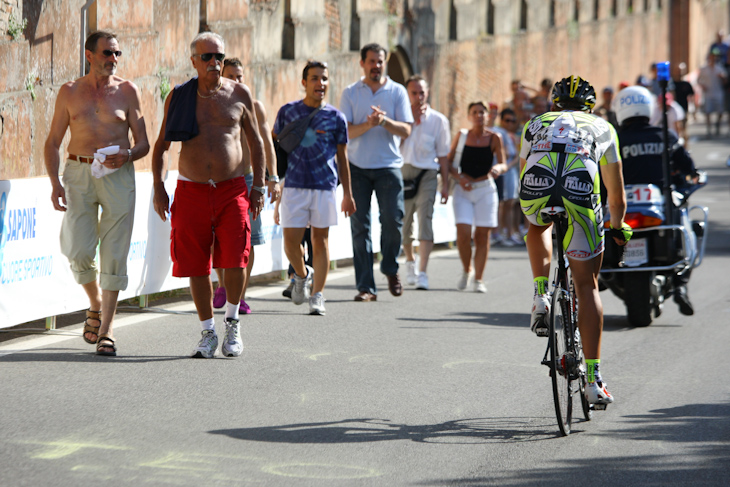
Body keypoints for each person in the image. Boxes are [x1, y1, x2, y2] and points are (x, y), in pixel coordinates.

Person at [152, 32, 265, 358]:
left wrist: (257, 186)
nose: (214, 62)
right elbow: (161, 147)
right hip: (191, 190)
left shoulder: (238, 93)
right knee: (196, 265)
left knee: (236, 257)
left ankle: (231, 323)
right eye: (207, 57)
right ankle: (207, 331)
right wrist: (159, 188)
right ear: (194, 62)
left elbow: (256, 143)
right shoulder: (179, 96)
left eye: (219, 56)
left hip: (232, 190)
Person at [519, 75, 631, 405]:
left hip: (536, 187)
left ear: (553, 104)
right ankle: (593, 380)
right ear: (591, 105)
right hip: (579, 189)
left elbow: (524, 170)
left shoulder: (535, 123)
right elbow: (617, 196)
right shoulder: (603, 128)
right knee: (587, 286)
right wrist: (618, 225)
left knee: (537, 227)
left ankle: (541, 293)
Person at [44, 31, 149, 356]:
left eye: (116, 54)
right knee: (76, 247)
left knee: (115, 251)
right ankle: (95, 302)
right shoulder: (70, 91)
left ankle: (107, 330)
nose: (112, 59)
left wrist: (129, 155)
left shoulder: (128, 91)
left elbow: (144, 142)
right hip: (78, 171)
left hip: (118, 174)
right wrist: (55, 182)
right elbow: (52, 142)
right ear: (89, 55)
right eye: (106, 53)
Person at [273, 60, 356, 315]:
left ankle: (318, 295)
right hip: (295, 186)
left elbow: (343, 158)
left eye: (324, 79)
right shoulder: (287, 111)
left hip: (324, 186)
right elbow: (277, 149)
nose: (320, 84)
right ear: (304, 82)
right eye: (315, 78)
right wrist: (275, 181)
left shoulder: (336, 117)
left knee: (320, 241)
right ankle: (301, 274)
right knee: (290, 243)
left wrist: (348, 194)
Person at [615, 85, 699, 315]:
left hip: (621, 209)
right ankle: (681, 284)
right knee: (685, 223)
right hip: (659, 207)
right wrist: (693, 177)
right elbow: (689, 167)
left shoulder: (614, 140)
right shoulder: (665, 135)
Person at [340, 43, 413, 302]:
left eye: (380, 61)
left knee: (393, 221)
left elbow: (406, 130)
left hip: (389, 166)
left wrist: (383, 122)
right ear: (362, 63)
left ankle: (390, 268)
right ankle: (365, 287)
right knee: (360, 227)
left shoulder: (397, 91)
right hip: (357, 168)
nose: (376, 66)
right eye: (371, 61)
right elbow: (345, 132)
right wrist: (368, 125)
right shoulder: (350, 92)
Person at [212, 57, 280, 315]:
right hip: (220, 180)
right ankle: (221, 285)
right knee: (217, 239)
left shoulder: (254, 106)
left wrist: (272, 178)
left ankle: (239, 295)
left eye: (240, 76)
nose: (237, 81)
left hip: (249, 179)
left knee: (247, 242)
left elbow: (265, 143)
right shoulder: (213, 105)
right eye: (231, 76)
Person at [447, 101, 508, 293]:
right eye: (475, 112)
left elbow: (503, 163)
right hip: (463, 189)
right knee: (463, 234)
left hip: (485, 189)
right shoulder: (462, 136)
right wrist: (459, 177)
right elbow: (448, 163)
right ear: (469, 116)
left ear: (488, 115)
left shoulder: (494, 137)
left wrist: (498, 168)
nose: (479, 115)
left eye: (482, 112)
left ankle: (479, 279)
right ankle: (467, 270)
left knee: (482, 235)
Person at [399, 75, 451, 290]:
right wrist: (409, 121)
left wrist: (445, 183)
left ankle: (423, 271)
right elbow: (394, 145)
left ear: (427, 93)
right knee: (403, 223)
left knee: (425, 218)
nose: (418, 97)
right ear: (407, 93)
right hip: (403, 171)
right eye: (413, 93)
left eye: (422, 92)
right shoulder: (399, 117)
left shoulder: (438, 120)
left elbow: (444, 155)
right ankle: (410, 261)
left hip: (428, 172)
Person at [489, 106, 522, 247]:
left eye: (512, 121)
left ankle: (509, 232)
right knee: (500, 203)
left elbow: (515, 155)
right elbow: (502, 153)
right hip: (500, 172)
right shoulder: (496, 132)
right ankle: (498, 232)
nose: (510, 123)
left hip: (511, 172)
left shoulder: (511, 136)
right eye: (507, 120)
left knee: (510, 203)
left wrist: (510, 165)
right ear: (501, 120)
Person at [697, 50, 727, 136]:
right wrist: (702, 86)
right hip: (708, 93)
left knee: (720, 111)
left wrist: (722, 78)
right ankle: (709, 129)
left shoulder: (720, 68)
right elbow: (698, 80)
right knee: (707, 112)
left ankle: (717, 125)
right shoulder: (703, 69)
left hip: (718, 92)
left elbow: (725, 81)